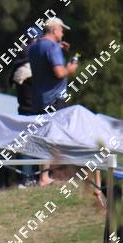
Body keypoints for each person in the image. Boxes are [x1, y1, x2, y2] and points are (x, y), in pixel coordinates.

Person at [28, 17, 77, 186]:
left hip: (38, 98)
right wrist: (70, 68)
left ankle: (43, 176)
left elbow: (44, 58)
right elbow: (59, 72)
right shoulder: (52, 47)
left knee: (43, 136)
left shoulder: (35, 47)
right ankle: (50, 176)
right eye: (62, 30)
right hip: (54, 98)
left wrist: (57, 48)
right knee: (55, 136)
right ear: (55, 30)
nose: (62, 33)